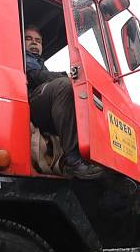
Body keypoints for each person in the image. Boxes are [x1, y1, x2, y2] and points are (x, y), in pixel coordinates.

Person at [24, 25, 103, 179]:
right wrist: (69, 75)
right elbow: (37, 76)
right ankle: (73, 161)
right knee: (65, 86)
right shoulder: (24, 58)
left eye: (38, 41)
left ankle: (98, 163)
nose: (34, 43)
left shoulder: (39, 62)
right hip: (28, 103)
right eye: (28, 39)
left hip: (44, 107)